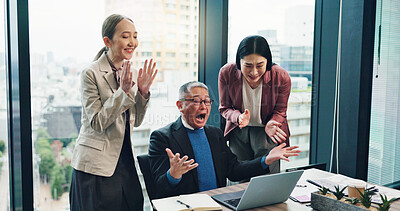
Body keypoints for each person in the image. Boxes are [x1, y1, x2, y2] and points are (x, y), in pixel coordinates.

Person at [148, 81, 300, 198]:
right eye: (196, 101)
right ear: (180, 105)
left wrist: (266, 160)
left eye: (207, 101)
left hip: (217, 204)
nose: (203, 107)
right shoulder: (161, 138)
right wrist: (173, 175)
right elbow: (159, 190)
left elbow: (233, 170)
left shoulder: (215, 134)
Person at [69, 14, 157, 211]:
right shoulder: (90, 73)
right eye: (126, 36)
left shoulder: (131, 73)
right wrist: (123, 92)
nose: (132, 42)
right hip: (95, 167)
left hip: (125, 162)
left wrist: (142, 94)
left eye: (135, 36)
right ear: (107, 41)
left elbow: (137, 121)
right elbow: (97, 122)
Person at [218, 35, 291, 173]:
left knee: (267, 180)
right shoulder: (226, 73)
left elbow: (281, 110)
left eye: (260, 65)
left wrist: (272, 122)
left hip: (268, 132)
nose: (254, 72)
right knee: (238, 177)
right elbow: (224, 107)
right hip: (238, 131)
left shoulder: (281, 76)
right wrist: (238, 117)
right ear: (239, 62)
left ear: (267, 62)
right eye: (248, 65)